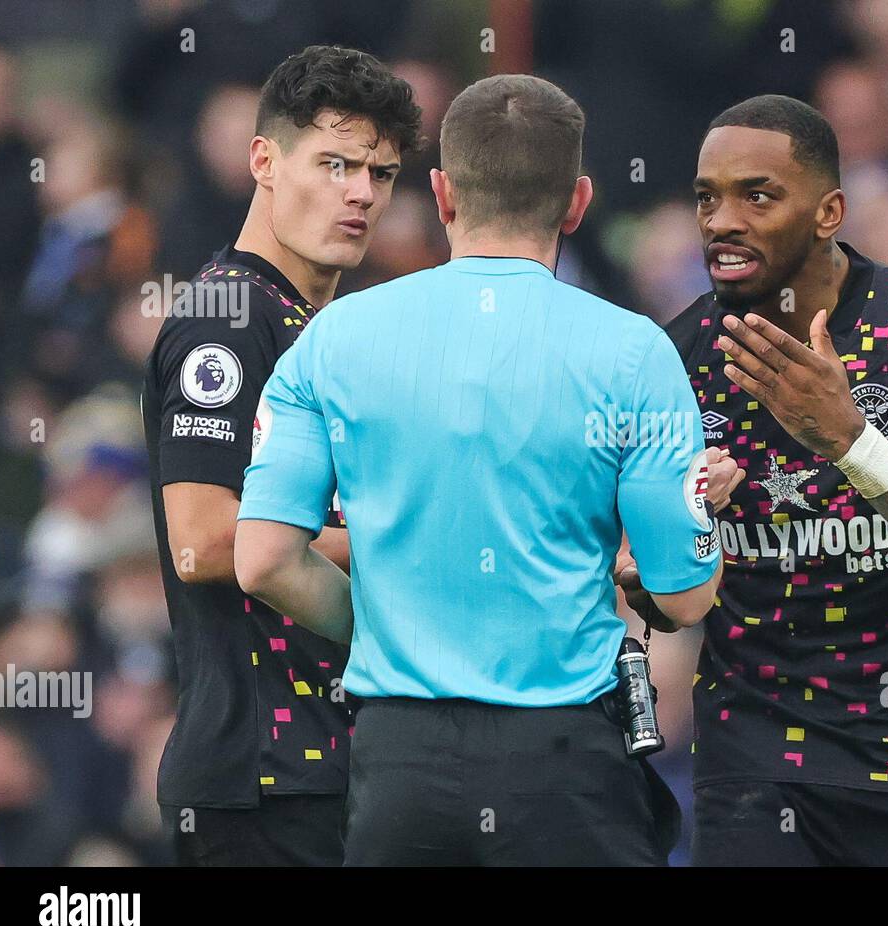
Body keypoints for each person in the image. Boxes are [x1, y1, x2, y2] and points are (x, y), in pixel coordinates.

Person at [233, 74, 741, 866]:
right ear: (576, 202)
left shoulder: (335, 339)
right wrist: (707, 503)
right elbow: (683, 593)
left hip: (399, 762)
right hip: (568, 767)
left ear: (441, 193)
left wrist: (384, 630)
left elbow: (262, 558)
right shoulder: (635, 351)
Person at [648, 95, 888, 865]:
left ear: (830, 212)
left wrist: (853, 443)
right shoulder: (674, 360)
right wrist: (669, 532)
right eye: (706, 198)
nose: (721, 220)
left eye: (756, 195)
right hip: (755, 775)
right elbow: (659, 603)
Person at [141, 45, 422, 866]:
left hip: (334, 768)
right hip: (260, 780)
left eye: (383, 173)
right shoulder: (228, 318)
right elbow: (205, 542)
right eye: (335, 163)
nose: (362, 193)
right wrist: (415, 543)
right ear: (263, 160)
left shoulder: (316, 325)